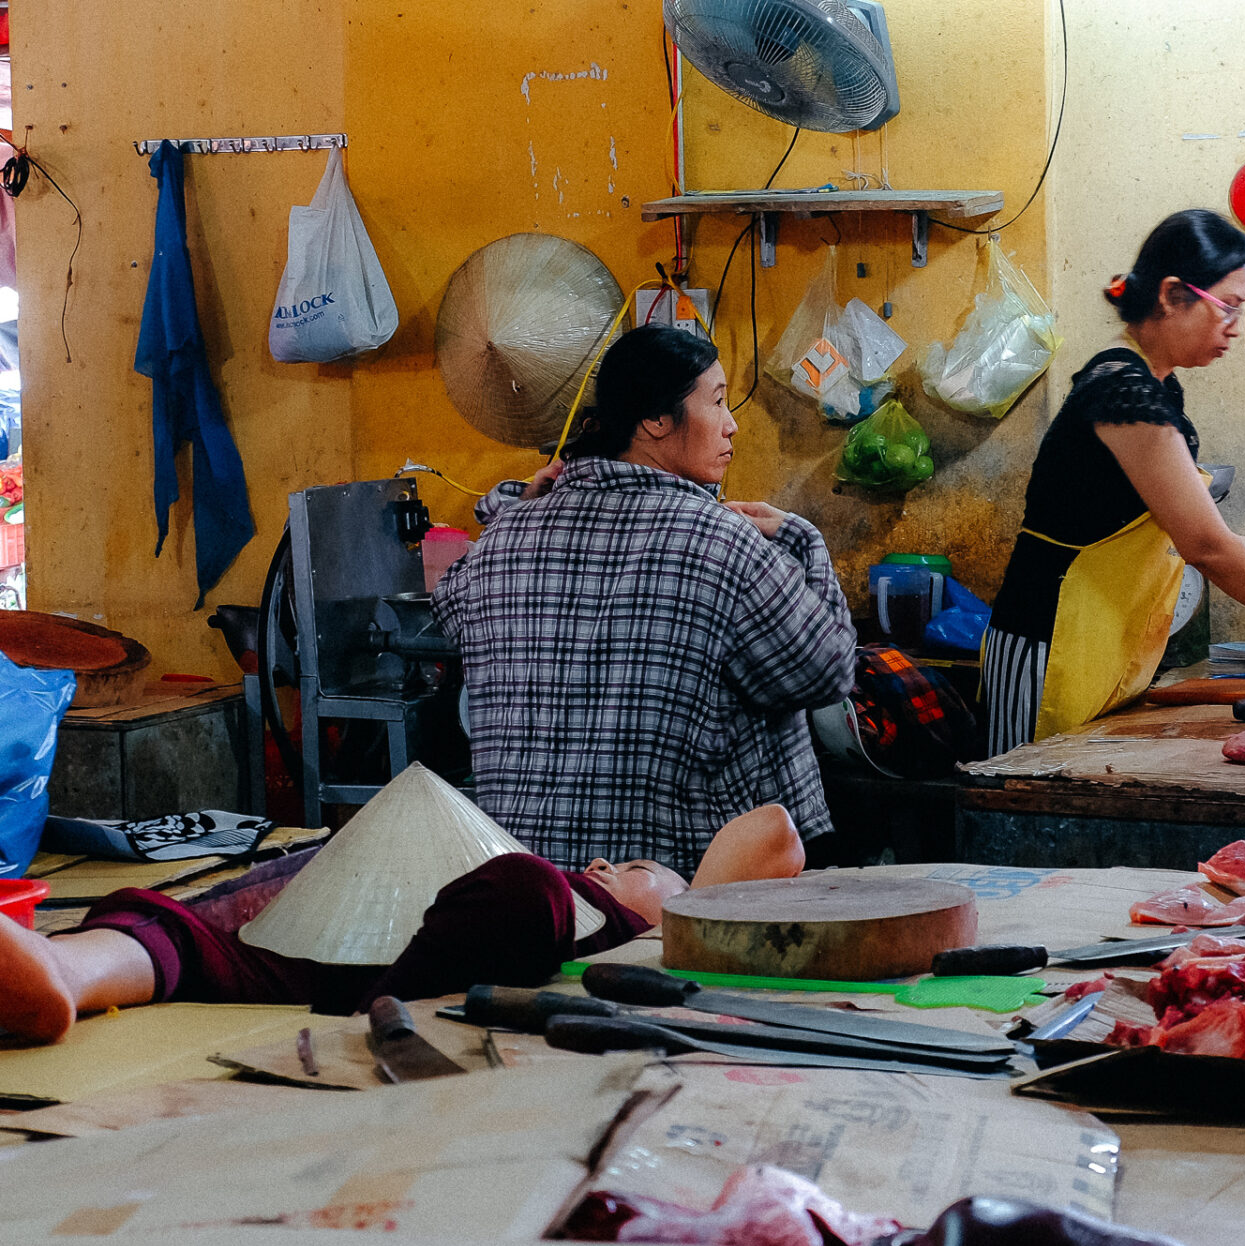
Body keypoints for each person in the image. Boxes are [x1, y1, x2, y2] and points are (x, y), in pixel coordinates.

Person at [980, 209, 1245, 754]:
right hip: (1048, 638)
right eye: (1226, 307)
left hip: (1095, 639)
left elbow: (1147, 522)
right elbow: (1203, 545)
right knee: (1024, 797)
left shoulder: (1156, 387)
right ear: (1170, 295)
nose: (1234, 325)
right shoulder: (1122, 393)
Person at [433, 326, 857, 875]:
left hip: (532, 888)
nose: (732, 425)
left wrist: (513, 510)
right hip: (669, 891)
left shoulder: (506, 540)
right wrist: (803, 541)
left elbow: (448, 606)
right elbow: (828, 672)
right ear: (655, 420)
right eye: (718, 402)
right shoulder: (722, 542)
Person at [0, 804, 807, 1045]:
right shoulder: (585, 891)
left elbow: (774, 832)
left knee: (526, 889)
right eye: (637, 866)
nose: (625, 866)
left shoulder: (629, 935)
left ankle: (371, 1021)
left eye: (647, 871)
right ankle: (56, 970)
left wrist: (685, 902)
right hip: (358, 905)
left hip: (418, 947)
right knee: (189, 934)